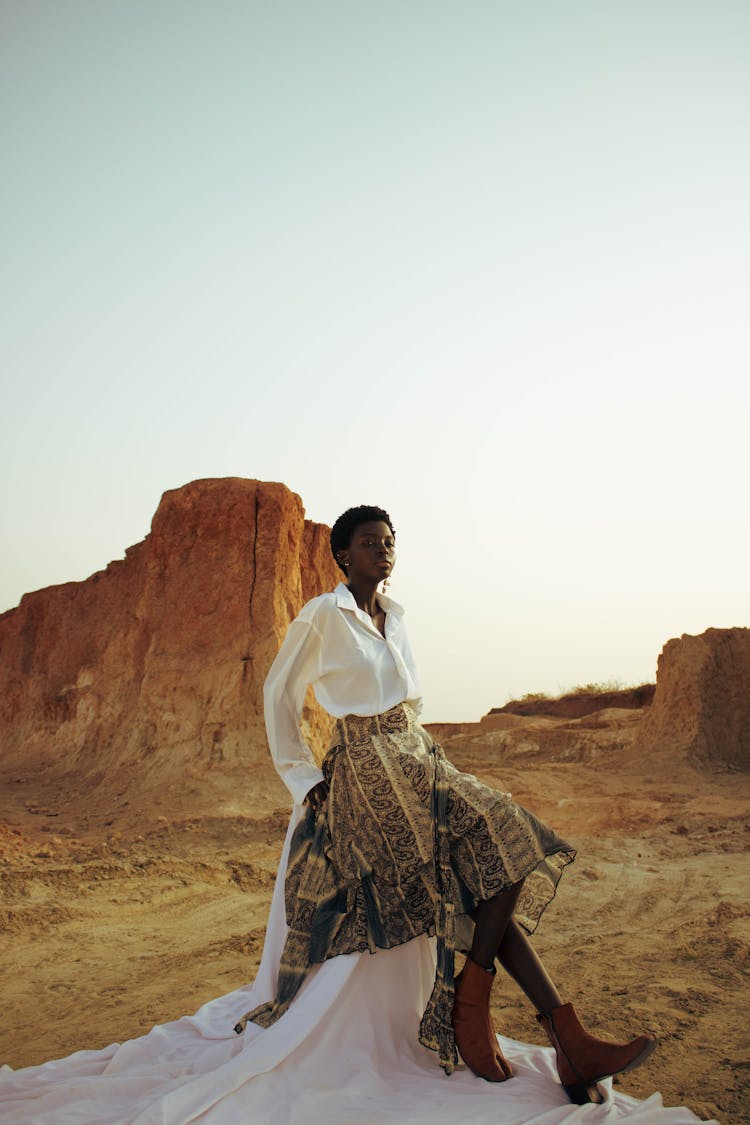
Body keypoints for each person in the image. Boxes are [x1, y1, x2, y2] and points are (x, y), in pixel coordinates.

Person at [233, 504, 657, 1106]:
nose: (383, 550)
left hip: (415, 752)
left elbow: (411, 700)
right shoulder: (324, 615)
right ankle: (544, 1030)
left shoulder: (397, 616)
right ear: (342, 555)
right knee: (493, 842)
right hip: (362, 762)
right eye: (368, 541)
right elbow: (279, 691)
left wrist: (423, 753)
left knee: (498, 852)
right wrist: (304, 780)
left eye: (389, 541)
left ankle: (545, 1030)